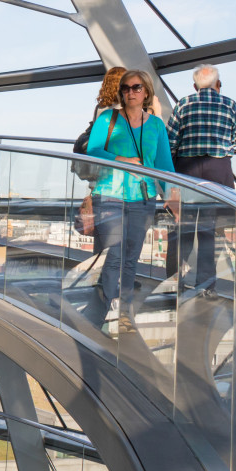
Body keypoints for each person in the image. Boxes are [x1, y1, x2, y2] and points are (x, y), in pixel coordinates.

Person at [84, 70, 177, 333]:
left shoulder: (156, 125)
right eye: (125, 88)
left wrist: (171, 195)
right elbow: (93, 152)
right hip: (110, 195)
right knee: (113, 257)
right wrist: (123, 161)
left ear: (146, 92)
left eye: (136, 88)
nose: (130, 92)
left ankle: (125, 314)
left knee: (131, 259)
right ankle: (97, 316)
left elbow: (164, 165)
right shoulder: (108, 118)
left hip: (143, 198)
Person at [166, 65, 236, 298]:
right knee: (209, 232)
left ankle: (173, 282)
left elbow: (171, 139)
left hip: (187, 171)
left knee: (182, 230)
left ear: (195, 86)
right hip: (217, 172)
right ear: (217, 85)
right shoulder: (230, 105)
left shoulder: (184, 104)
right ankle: (206, 286)